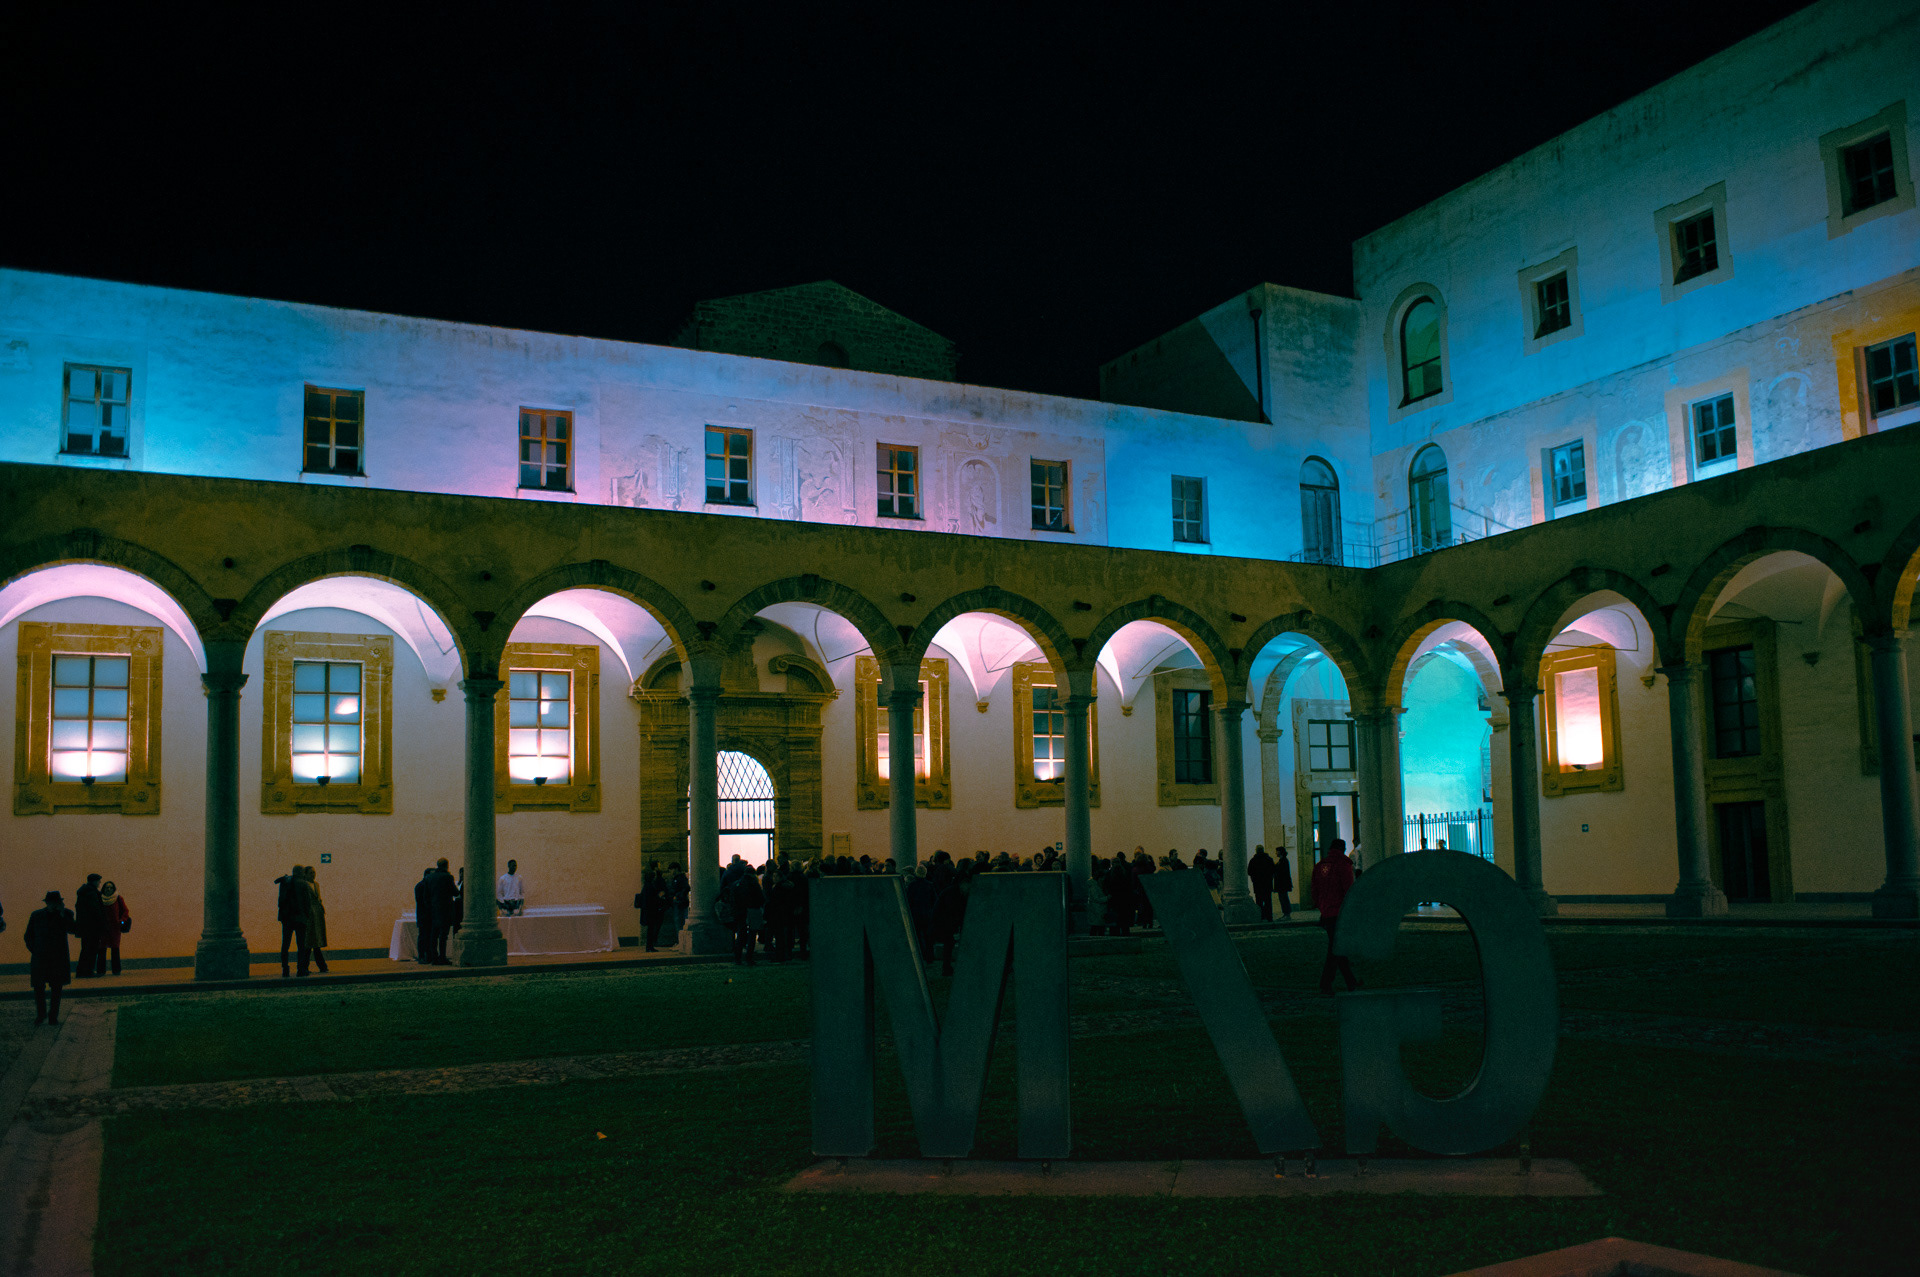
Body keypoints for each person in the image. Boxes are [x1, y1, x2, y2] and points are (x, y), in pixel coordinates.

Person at [1312, 838, 1360, 995]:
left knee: (1336, 947)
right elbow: (1349, 891)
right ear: (1343, 849)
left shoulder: (1320, 866)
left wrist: (1322, 907)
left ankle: (1349, 981)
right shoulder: (1343, 866)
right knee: (1336, 949)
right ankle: (1329, 983)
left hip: (1327, 913)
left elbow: (1314, 891)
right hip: (1339, 913)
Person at [25, 891, 78, 1025]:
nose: (53, 905)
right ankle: (41, 1014)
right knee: (39, 987)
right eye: (51, 903)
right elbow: (28, 936)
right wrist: (35, 950)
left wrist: (61, 914)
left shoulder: (66, 914)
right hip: (40, 957)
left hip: (57, 958)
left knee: (56, 988)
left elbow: (73, 929)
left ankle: (53, 1015)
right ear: (47, 903)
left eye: (56, 903)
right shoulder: (36, 915)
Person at [726, 869, 764, 966]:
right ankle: (749, 957)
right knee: (752, 934)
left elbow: (732, 899)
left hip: (739, 912)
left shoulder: (736, 884)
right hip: (752, 911)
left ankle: (737, 957)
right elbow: (760, 898)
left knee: (740, 934)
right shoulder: (754, 884)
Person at [298, 865, 331, 974]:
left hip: (317, 915)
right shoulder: (304, 885)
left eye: (314, 872)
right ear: (306, 874)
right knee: (311, 942)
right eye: (311, 873)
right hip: (309, 916)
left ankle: (310, 966)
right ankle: (321, 966)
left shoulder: (316, 885)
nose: (313, 874)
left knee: (313, 942)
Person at [96, 880, 131, 975]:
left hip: (115, 928)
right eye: (107, 887)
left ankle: (116, 970)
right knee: (102, 949)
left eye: (110, 887)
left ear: (113, 889)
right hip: (103, 927)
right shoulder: (99, 899)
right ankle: (101, 970)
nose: (108, 889)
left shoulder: (118, 898)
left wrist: (121, 922)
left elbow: (125, 912)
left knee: (115, 949)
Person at [73, 874, 105, 979]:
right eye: (99, 881)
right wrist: (102, 923)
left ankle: (81, 971)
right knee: (91, 949)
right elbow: (95, 910)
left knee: (85, 949)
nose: (99, 884)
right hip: (92, 927)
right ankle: (88, 971)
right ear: (94, 881)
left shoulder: (83, 893)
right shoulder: (92, 893)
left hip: (85, 927)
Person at [278, 866, 307, 976]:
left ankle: (285, 968)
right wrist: (306, 916)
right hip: (300, 918)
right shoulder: (304, 884)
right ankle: (301, 969)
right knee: (301, 945)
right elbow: (307, 902)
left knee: (285, 944)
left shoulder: (284, 882)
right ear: (301, 872)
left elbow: (280, 900)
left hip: (286, 918)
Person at [428, 858, 457, 963]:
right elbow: (455, 892)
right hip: (445, 909)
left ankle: (434, 957)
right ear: (447, 865)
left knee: (434, 934)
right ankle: (442, 957)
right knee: (443, 935)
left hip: (433, 909)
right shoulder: (448, 877)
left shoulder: (430, 878)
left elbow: (426, 895)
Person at [638, 868, 669, 952]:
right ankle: (649, 946)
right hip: (651, 911)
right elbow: (652, 899)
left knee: (650, 929)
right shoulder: (650, 886)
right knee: (651, 929)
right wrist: (659, 896)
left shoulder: (646, 886)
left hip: (648, 911)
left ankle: (649, 946)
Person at [413, 866, 439, 965]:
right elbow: (422, 901)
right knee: (423, 936)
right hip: (424, 915)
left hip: (428, 915)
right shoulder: (420, 886)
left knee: (429, 936)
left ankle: (428, 956)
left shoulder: (424, 885)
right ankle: (422, 956)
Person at [1247, 845, 1275, 922]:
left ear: (1256, 850)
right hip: (1267, 884)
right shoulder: (1269, 859)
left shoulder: (1253, 860)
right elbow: (1273, 870)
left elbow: (1249, 872)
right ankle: (1269, 917)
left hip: (1257, 884)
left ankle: (1261, 917)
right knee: (1268, 901)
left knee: (1259, 901)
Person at [1275, 845, 1295, 919]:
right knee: (1283, 898)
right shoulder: (1283, 860)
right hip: (1282, 884)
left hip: (1282, 884)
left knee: (1284, 899)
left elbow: (1282, 873)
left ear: (1280, 852)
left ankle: (1287, 913)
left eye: (1277, 851)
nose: (1276, 853)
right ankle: (1286, 913)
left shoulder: (1283, 861)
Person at [670, 867, 690, 937]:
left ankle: (680, 940)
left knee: (679, 921)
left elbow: (686, 888)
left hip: (680, 903)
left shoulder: (679, 878)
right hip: (681, 902)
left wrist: (678, 896)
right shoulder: (680, 878)